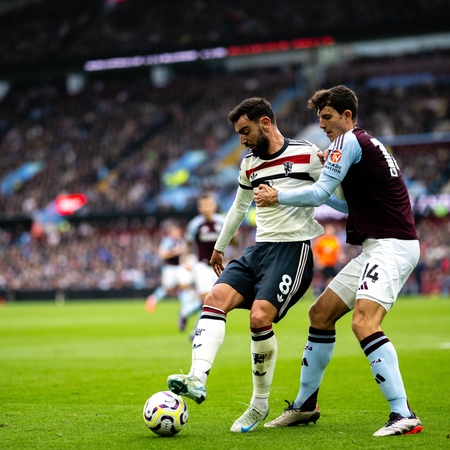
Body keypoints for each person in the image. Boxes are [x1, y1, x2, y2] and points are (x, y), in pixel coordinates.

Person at [254, 85, 423, 436]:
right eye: (319, 119)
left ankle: (403, 414)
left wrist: (278, 196)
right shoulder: (360, 144)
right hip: (379, 246)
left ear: (347, 116)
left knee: (364, 322)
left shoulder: (348, 142)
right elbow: (343, 204)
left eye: (327, 117)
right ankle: (304, 406)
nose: (322, 125)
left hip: (392, 244)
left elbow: (318, 193)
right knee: (321, 313)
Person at [166, 97, 325, 433]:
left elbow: (331, 193)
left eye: (245, 131)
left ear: (265, 123)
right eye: (239, 133)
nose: (242, 139)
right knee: (214, 299)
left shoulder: (308, 154)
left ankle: (259, 405)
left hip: (293, 250)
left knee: (259, 318)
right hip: (258, 250)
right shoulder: (249, 164)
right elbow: (238, 209)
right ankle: (197, 378)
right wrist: (219, 249)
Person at [182, 193, 227, 338]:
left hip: (218, 266)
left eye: (209, 205)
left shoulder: (223, 221)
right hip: (201, 266)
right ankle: (196, 331)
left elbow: (235, 242)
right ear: (199, 208)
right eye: (203, 205)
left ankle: (187, 313)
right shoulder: (195, 224)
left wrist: (234, 237)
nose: (206, 208)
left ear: (214, 206)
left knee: (215, 301)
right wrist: (185, 260)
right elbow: (187, 244)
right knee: (206, 300)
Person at [145, 223, 198, 332]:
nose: (177, 234)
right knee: (168, 288)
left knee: (184, 286)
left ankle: (185, 309)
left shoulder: (181, 241)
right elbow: (162, 254)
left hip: (179, 267)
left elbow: (184, 254)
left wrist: (186, 263)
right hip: (169, 268)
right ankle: (153, 299)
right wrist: (173, 253)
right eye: (175, 232)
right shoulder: (167, 241)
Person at [312, 223, 345, 297]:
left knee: (330, 279)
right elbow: (315, 252)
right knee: (327, 279)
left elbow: (338, 252)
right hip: (323, 264)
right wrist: (318, 261)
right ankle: (322, 293)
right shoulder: (321, 240)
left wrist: (341, 258)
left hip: (332, 264)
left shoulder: (335, 240)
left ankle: (326, 294)